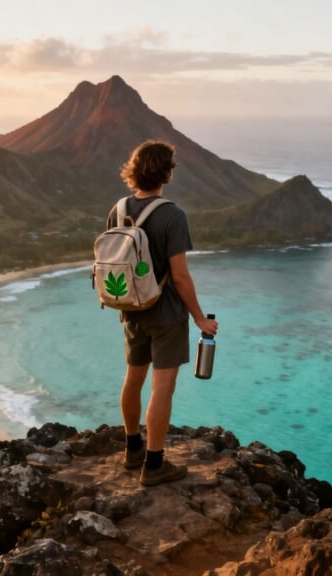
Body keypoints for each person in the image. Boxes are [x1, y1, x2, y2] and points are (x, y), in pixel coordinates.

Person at [108, 140, 218, 486]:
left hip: (130, 309)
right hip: (166, 314)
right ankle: (154, 466)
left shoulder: (118, 207)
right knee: (162, 388)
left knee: (133, 380)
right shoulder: (173, 215)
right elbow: (181, 276)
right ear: (166, 173)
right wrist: (200, 318)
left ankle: (132, 449)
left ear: (134, 169)